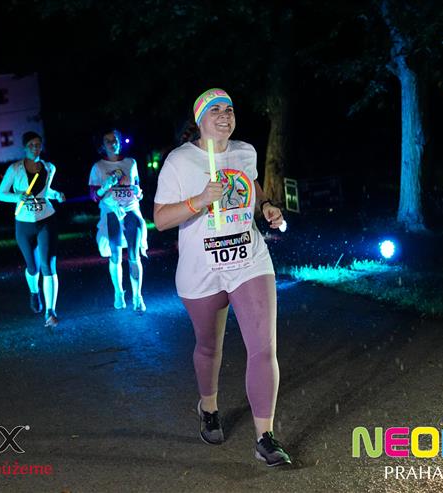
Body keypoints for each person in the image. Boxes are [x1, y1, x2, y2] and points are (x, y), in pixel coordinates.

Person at [153, 88, 291, 466]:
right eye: (215, 110)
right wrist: (199, 200)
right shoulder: (180, 161)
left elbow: (251, 182)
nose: (225, 115)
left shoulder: (245, 152)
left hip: (249, 260)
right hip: (201, 269)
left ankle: (265, 438)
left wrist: (265, 205)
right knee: (209, 347)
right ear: (200, 119)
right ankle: (209, 406)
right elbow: (161, 219)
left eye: (229, 109)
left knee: (263, 348)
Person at [0, 131, 65, 328]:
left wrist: (57, 195)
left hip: (46, 219)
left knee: (48, 265)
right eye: (31, 145)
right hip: (24, 222)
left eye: (38, 144)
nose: (35, 148)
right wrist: (18, 196)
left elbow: (45, 191)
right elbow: (1, 194)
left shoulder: (49, 167)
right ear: (24, 148)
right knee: (33, 267)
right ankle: (34, 292)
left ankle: (50, 311)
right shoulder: (15, 169)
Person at [88, 129, 148, 311]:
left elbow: (137, 187)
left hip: (130, 209)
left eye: (114, 140)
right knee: (115, 255)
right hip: (111, 211)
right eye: (107, 141)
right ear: (102, 145)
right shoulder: (98, 167)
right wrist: (105, 186)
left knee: (133, 255)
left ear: (120, 142)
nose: (112, 143)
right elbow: (93, 196)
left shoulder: (131, 163)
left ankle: (137, 297)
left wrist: (138, 192)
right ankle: (119, 293)